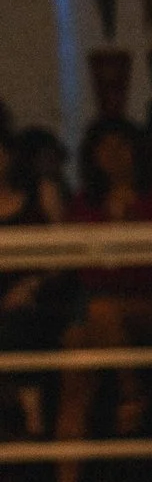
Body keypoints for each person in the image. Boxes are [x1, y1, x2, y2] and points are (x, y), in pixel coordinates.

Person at [53, 118, 152, 482]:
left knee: (101, 313)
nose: (113, 156)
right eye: (104, 148)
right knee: (75, 365)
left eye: (121, 146)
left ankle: (132, 396)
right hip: (98, 307)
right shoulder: (85, 203)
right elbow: (80, 266)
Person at [0, 128, 71, 447]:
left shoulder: (41, 193)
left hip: (38, 299)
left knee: (17, 322)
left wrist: (33, 284)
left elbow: (63, 255)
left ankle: (33, 421)